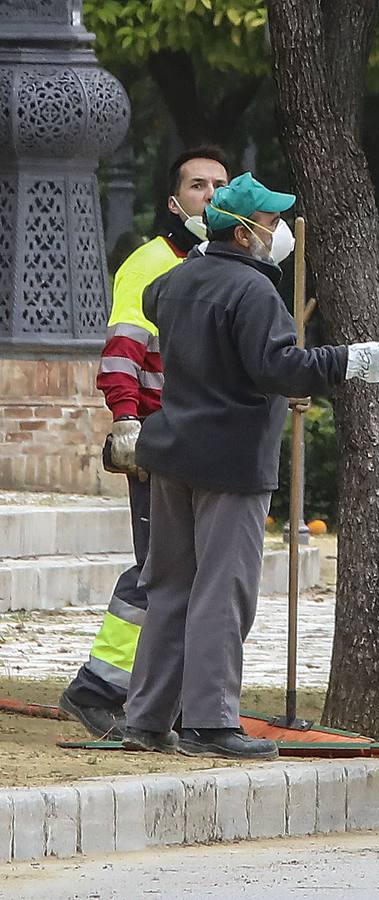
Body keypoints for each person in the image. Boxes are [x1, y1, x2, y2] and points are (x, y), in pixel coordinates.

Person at [121, 172, 379, 760]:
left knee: (171, 587)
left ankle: (147, 719)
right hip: (231, 461)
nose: (278, 232)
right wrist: (346, 360)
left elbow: (156, 305)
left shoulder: (176, 281)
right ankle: (209, 723)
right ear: (246, 231)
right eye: (273, 223)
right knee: (222, 591)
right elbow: (277, 367)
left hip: (173, 451)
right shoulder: (253, 292)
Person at [59, 147, 231, 739]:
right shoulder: (148, 265)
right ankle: (99, 686)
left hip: (195, 443)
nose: (210, 196)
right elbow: (123, 354)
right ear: (173, 200)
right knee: (158, 570)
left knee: (179, 570)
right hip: (158, 441)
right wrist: (128, 423)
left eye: (219, 186)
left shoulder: (219, 266)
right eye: (198, 185)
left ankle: (162, 697)